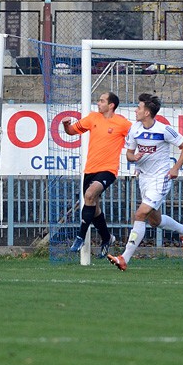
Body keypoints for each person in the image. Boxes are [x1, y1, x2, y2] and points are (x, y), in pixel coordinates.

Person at [107, 93, 183, 271]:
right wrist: (133, 157)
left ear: (147, 112)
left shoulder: (164, 129)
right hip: (144, 178)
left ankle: (124, 258)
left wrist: (175, 168)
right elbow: (129, 154)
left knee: (140, 214)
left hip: (161, 178)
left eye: (139, 108)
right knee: (155, 221)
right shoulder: (134, 129)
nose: (136, 110)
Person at [62, 91, 132, 257]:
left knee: (90, 194)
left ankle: (80, 237)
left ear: (111, 105)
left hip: (108, 170)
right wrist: (66, 125)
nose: (98, 103)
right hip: (90, 169)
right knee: (93, 207)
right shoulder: (93, 118)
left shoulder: (122, 124)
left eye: (101, 101)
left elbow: (137, 136)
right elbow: (72, 131)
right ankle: (107, 238)